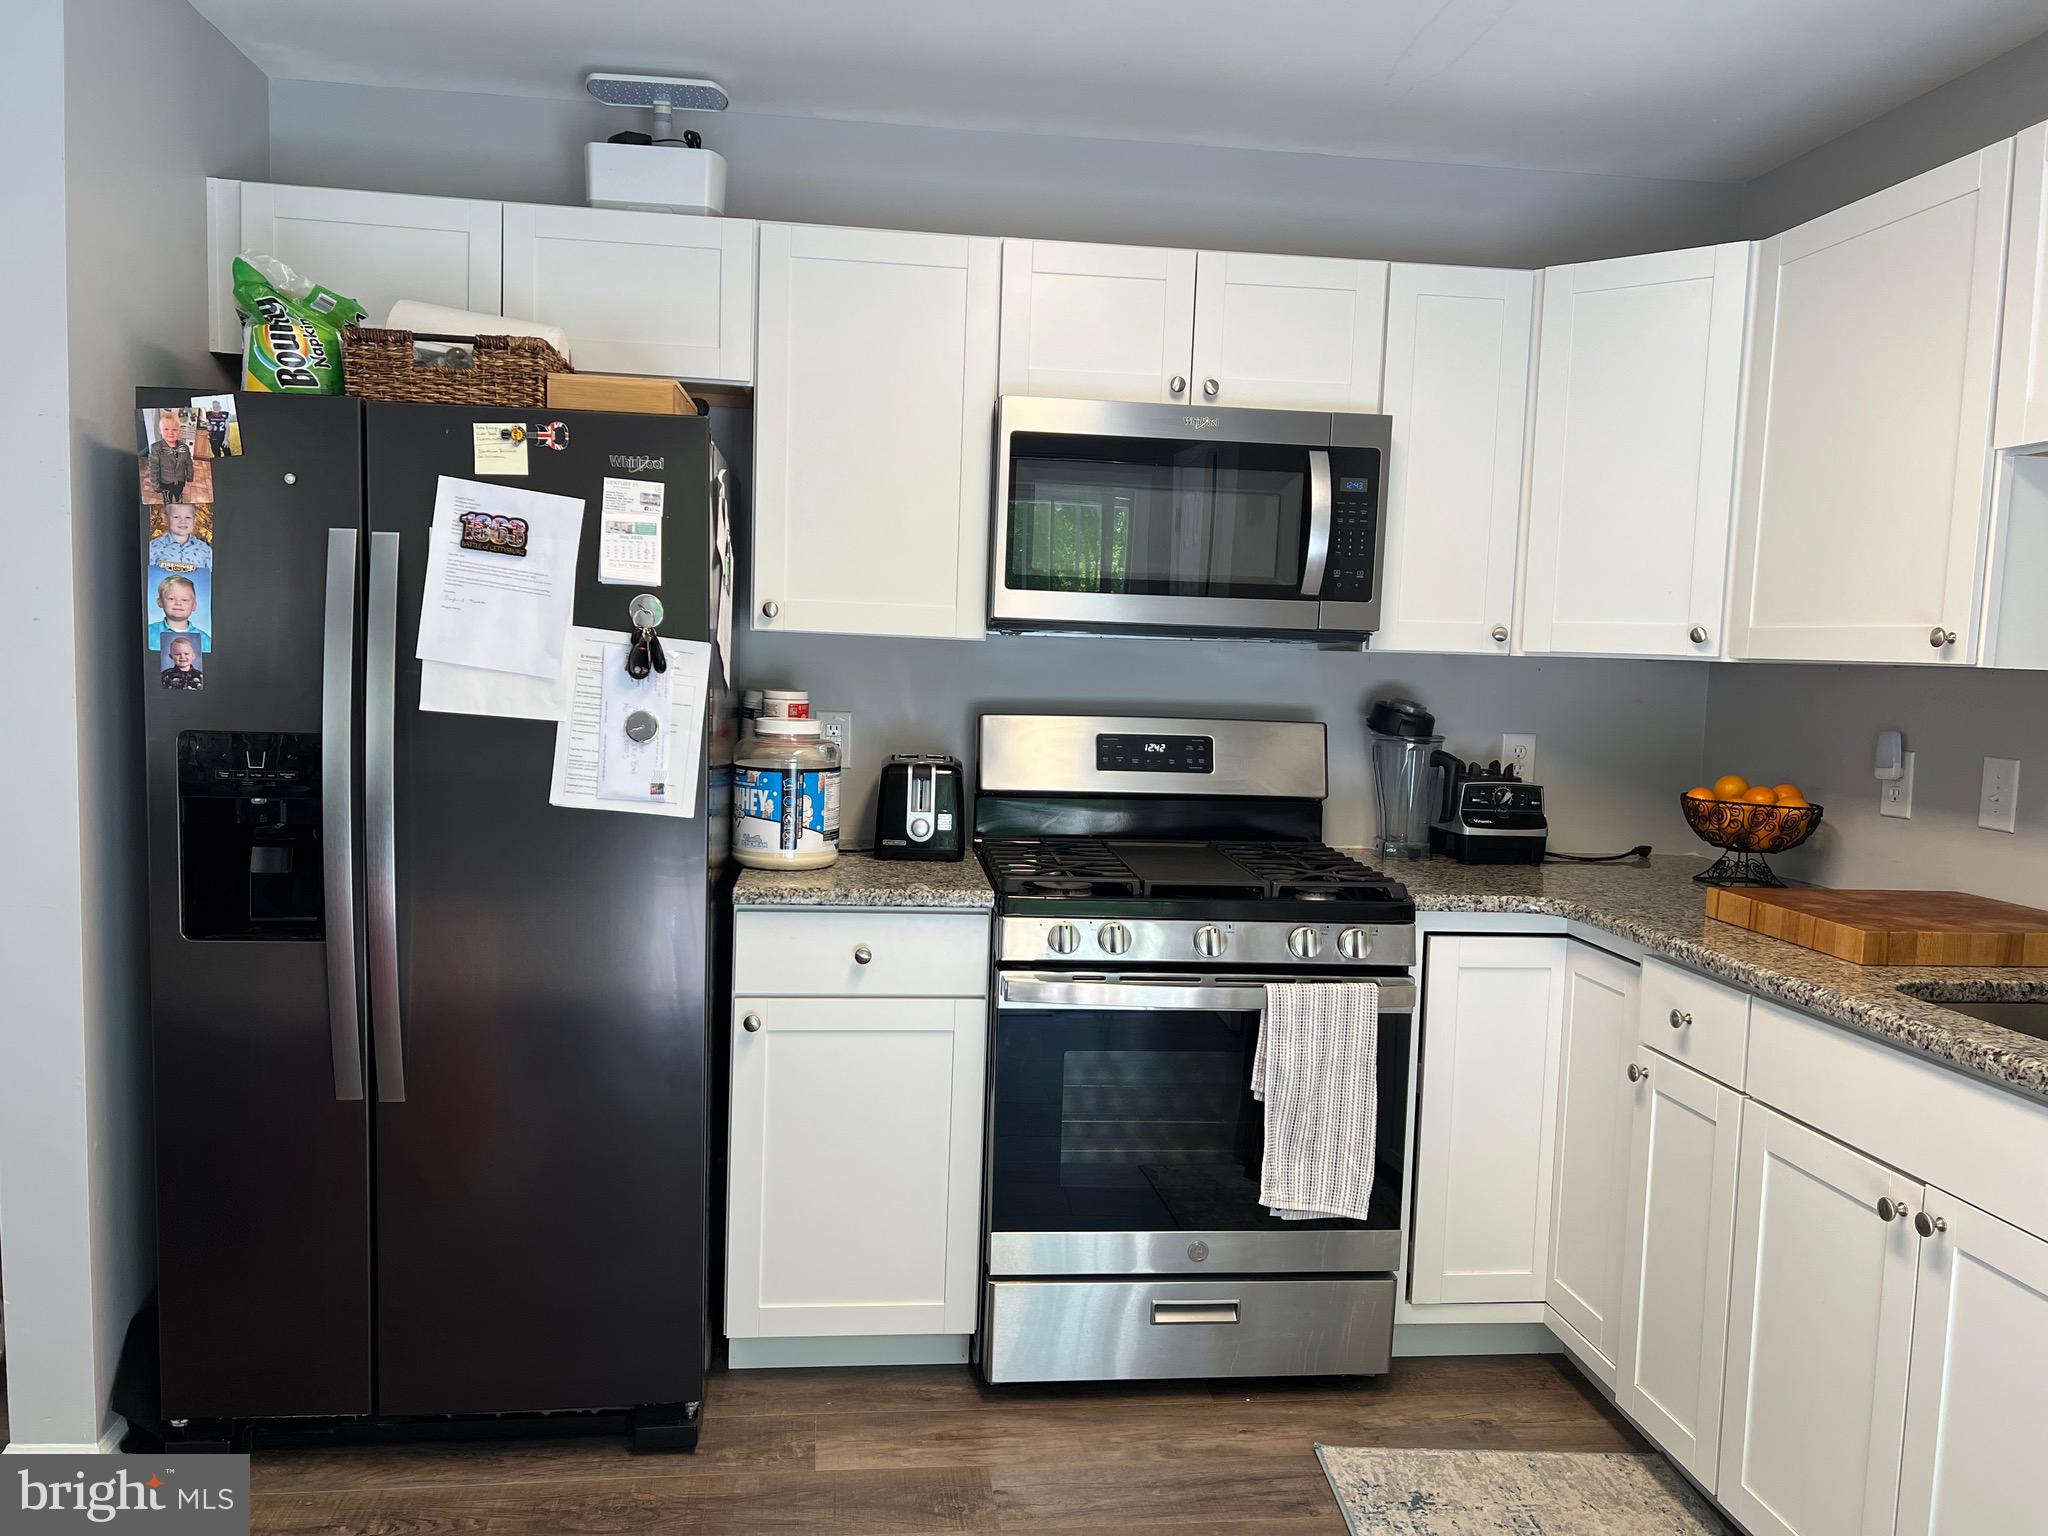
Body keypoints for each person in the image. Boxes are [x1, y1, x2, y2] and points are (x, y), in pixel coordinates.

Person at [147, 574, 211, 653]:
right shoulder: (148, 632)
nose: (178, 603)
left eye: (184, 600)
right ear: (160, 602)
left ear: (194, 605)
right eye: (171, 599)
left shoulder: (205, 639)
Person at [148, 503, 212, 572]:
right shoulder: (153, 547)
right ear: (165, 518)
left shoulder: (205, 550)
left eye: (188, 517)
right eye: (176, 517)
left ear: (194, 519)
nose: (183, 521)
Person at [146, 410, 193, 504]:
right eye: (166, 429)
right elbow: (153, 468)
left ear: (179, 431)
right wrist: (155, 485)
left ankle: (179, 500)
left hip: (180, 480)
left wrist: (190, 477)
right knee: (168, 499)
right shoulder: (156, 448)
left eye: (174, 429)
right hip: (165, 482)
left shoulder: (184, 447)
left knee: (178, 495)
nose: (170, 433)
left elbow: (189, 464)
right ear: (160, 431)